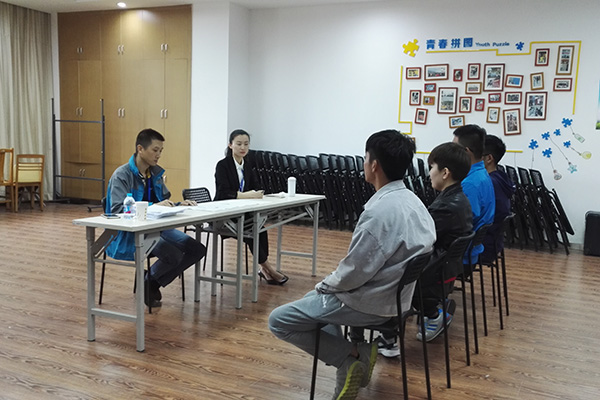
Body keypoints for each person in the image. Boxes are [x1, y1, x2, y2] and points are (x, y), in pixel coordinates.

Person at [268, 130, 436, 400]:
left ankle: (351, 356)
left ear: (374, 165)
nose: (364, 163)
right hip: (398, 300)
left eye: (365, 158)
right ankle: (349, 360)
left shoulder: (379, 213)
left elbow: (353, 273)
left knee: (279, 320)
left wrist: (325, 285)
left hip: (369, 303)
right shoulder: (415, 203)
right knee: (314, 302)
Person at [105, 128, 207, 308]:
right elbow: (118, 209)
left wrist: (178, 205)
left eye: (161, 150)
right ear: (140, 149)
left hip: (157, 227)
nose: (159, 155)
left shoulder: (155, 174)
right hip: (131, 232)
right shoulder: (122, 175)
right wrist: (154, 206)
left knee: (197, 249)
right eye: (155, 150)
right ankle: (151, 280)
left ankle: (151, 280)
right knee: (173, 254)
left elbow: (162, 202)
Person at [214, 129, 288, 285]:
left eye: (246, 144)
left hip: (243, 211)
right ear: (230, 145)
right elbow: (223, 192)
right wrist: (247, 195)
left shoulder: (247, 165)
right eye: (239, 144)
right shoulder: (223, 165)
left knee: (261, 228)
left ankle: (264, 269)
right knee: (251, 232)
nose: (243, 147)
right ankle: (269, 270)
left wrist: (257, 193)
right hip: (225, 214)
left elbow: (255, 186)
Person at [453, 124, 495, 267]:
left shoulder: (470, 184)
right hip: (472, 249)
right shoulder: (482, 174)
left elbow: (462, 223)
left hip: (462, 255)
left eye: (454, 148)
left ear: (466, 152)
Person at [480, 135, 516, 263]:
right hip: (494, 242)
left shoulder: (489, 183)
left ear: (489, 158)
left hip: (484, 245)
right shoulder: (500, 179)